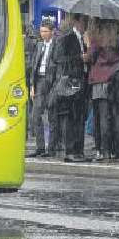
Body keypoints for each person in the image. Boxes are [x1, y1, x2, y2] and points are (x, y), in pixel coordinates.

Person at [49, 12, 89, 162]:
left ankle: (79, 150)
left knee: (80, 117)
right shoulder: (67, 38)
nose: (86, 26)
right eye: (84, 22)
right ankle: (70, 150)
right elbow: (58, 58)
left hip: (81, 81)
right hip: (71, 82)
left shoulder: (82, 40)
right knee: (71, 118)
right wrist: (78, 58)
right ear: (77, 22)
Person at [86, 18, 119, 161]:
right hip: (116, 79)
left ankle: (104, 150)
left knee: (101, 117)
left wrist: (87, 48)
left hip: (100, 80)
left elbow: (90, 57)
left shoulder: (97, 37)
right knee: (117, 116)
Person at [29, 19, 56, 157]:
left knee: (52, 116)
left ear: (52, 32)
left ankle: (51, 148)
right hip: (39, 81)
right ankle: (40, 147)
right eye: (41, 31)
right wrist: (32, 85)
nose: (43, 34)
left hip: (51, 83)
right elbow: (33, 65)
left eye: (45, 31)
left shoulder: (56, 45)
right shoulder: (39, 45)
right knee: (35, 116)